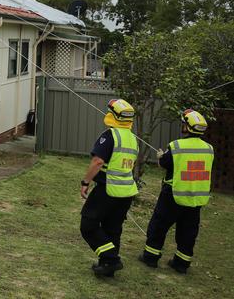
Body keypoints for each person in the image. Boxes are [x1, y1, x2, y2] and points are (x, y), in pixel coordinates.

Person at [138, 109, 214, 274]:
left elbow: (164, 164)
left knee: (159, 225)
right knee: (188, 231)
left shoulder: (176, 146)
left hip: (173, 195)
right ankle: (181, 264)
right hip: (195, 198)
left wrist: (161, 156)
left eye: (184, 124)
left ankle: (150, 258)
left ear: (187, 127)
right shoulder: (209, 148)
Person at [80, 98, 139, 277]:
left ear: (112, 115)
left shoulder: (110, 135)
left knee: (88, 225)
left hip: (108, 189)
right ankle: (107, 267)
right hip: (126, 192)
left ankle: (111, 258)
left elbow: (98, 161)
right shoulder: (132, 139)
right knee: (112, 229)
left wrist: (85, 182)